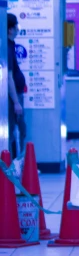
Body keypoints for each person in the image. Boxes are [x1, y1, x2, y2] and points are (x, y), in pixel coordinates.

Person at [7, 14, 25, 159]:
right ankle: (14, 165)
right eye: (16, 26)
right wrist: (16, 102)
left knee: (19, 129)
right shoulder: (6, 47)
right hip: (13, 97)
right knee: (15, 130)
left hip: (16, 95)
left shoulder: (11, 45)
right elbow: (9, 77)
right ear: (10, 29)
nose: (18, 28)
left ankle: (19, 164)